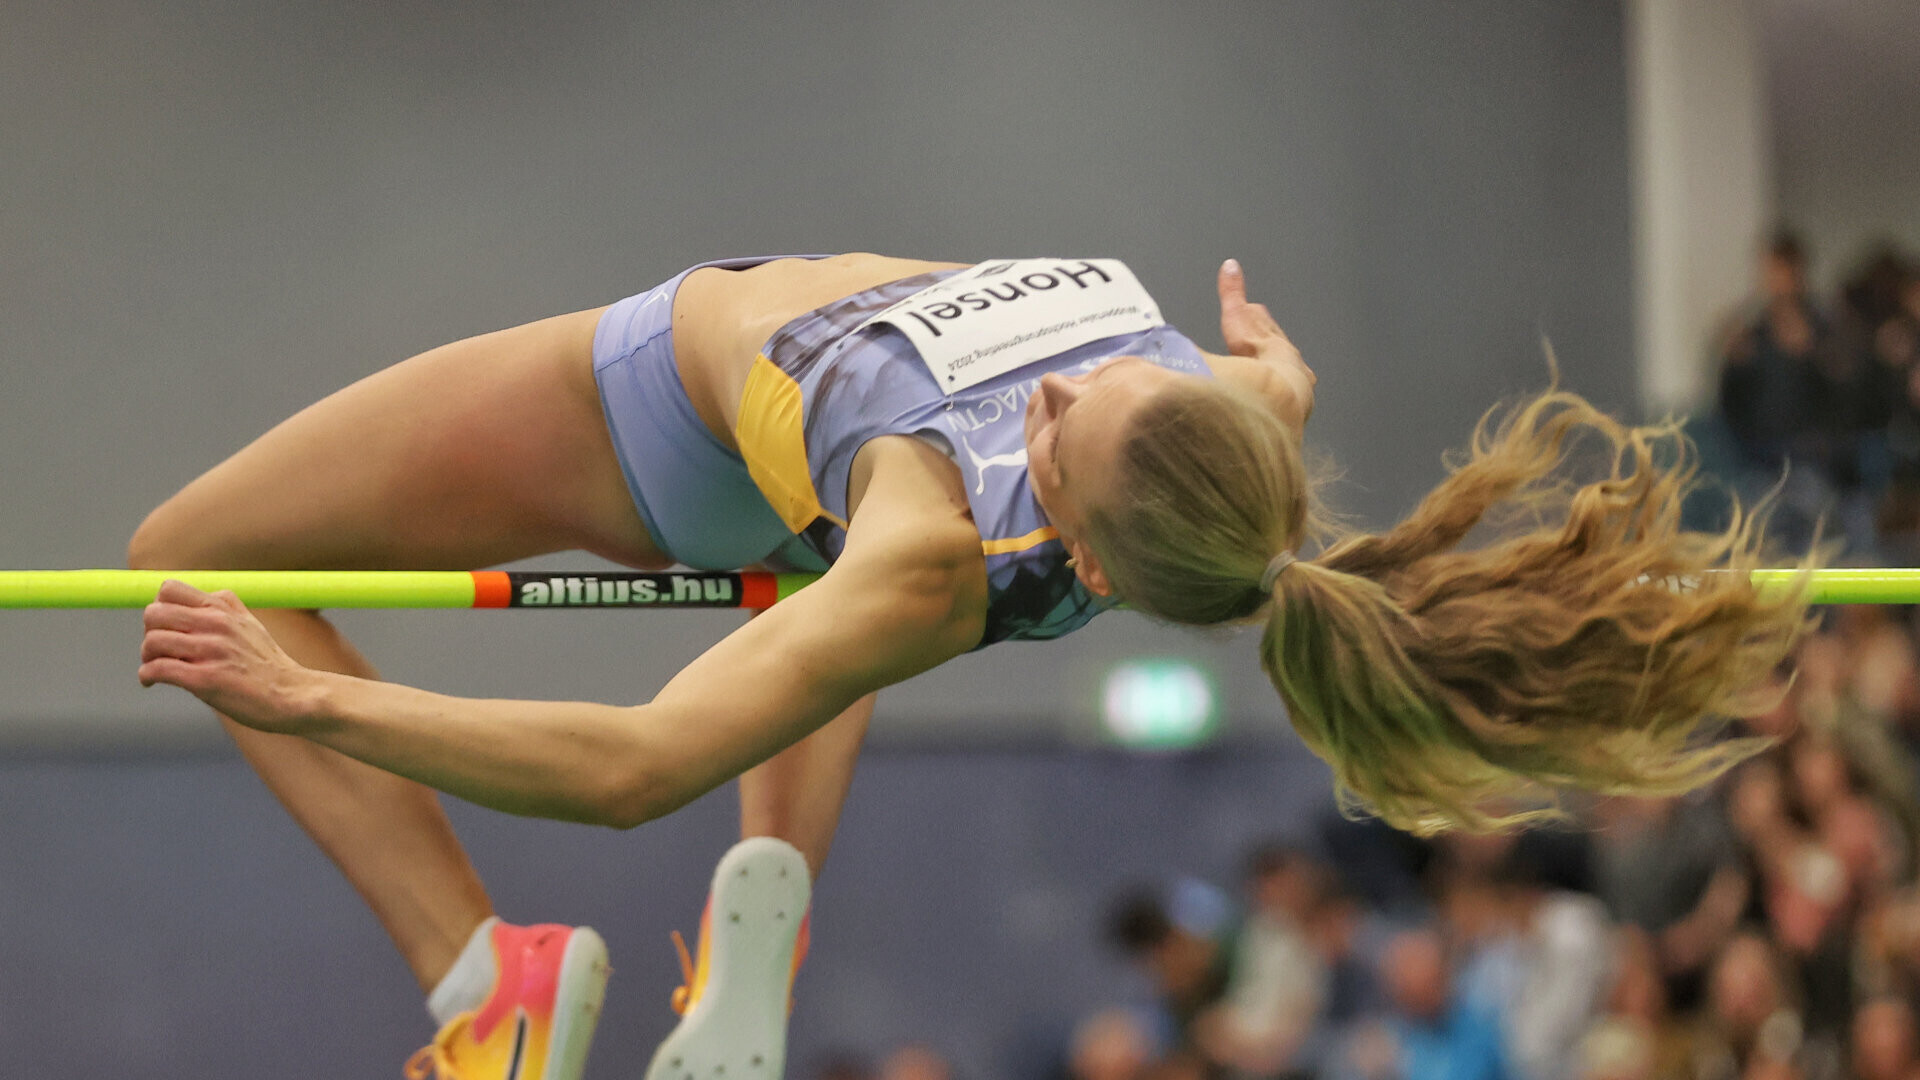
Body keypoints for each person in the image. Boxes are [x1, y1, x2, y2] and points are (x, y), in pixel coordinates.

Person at [127, 253, 1816, 1079]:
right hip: (812, 506)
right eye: (1124, 383)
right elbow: (1269, 395)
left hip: (637, 420)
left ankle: (480, 981)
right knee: (813, 591)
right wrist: (1267, 364)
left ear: (1084, 552)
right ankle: (756, 942)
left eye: (1070, 432)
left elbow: (635, 770)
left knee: (187, 558)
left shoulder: (939, 547)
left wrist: (314, 697)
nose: (1069, 390)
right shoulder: (1235, 455)